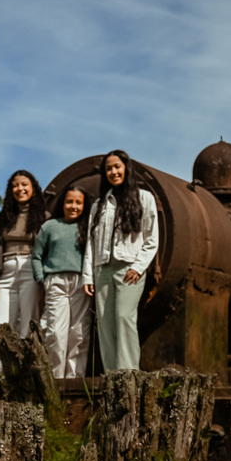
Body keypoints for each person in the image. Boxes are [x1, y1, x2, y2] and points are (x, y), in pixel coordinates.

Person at [83, 150, 159, 371]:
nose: (113, 172)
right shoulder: (99, 204)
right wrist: (88, 275)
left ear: (126, 167)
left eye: (117, 166)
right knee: (105, 324)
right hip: (102, 268)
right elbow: (91, 241)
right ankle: (111, 375)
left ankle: (128, 374)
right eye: (109, 168)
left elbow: (151, 238)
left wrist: (139, 266)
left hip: (129, 269)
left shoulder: (144, 198)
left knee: (125, 317)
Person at [0, 169, 47, 372]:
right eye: (15, 185)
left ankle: (24, 374)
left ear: (33, 188)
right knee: (0, 327)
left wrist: (45, 280)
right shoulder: (2, 218)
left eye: (24, 185)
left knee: (28, 325)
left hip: (31, 270)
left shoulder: (43, 217)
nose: (20, 189)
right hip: (6, 273)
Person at [32, 186, 93, 379]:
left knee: (79, 333)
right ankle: (56, 378)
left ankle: (75, 378)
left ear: (83, 205)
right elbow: (36, 256)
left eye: (78, 202)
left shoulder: (88, 227)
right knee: (56, 333)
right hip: (55, 281)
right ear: (62, 203)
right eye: (69, 201)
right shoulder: (49, 226)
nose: (73, 206)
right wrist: (42, 279)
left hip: (81, 282)